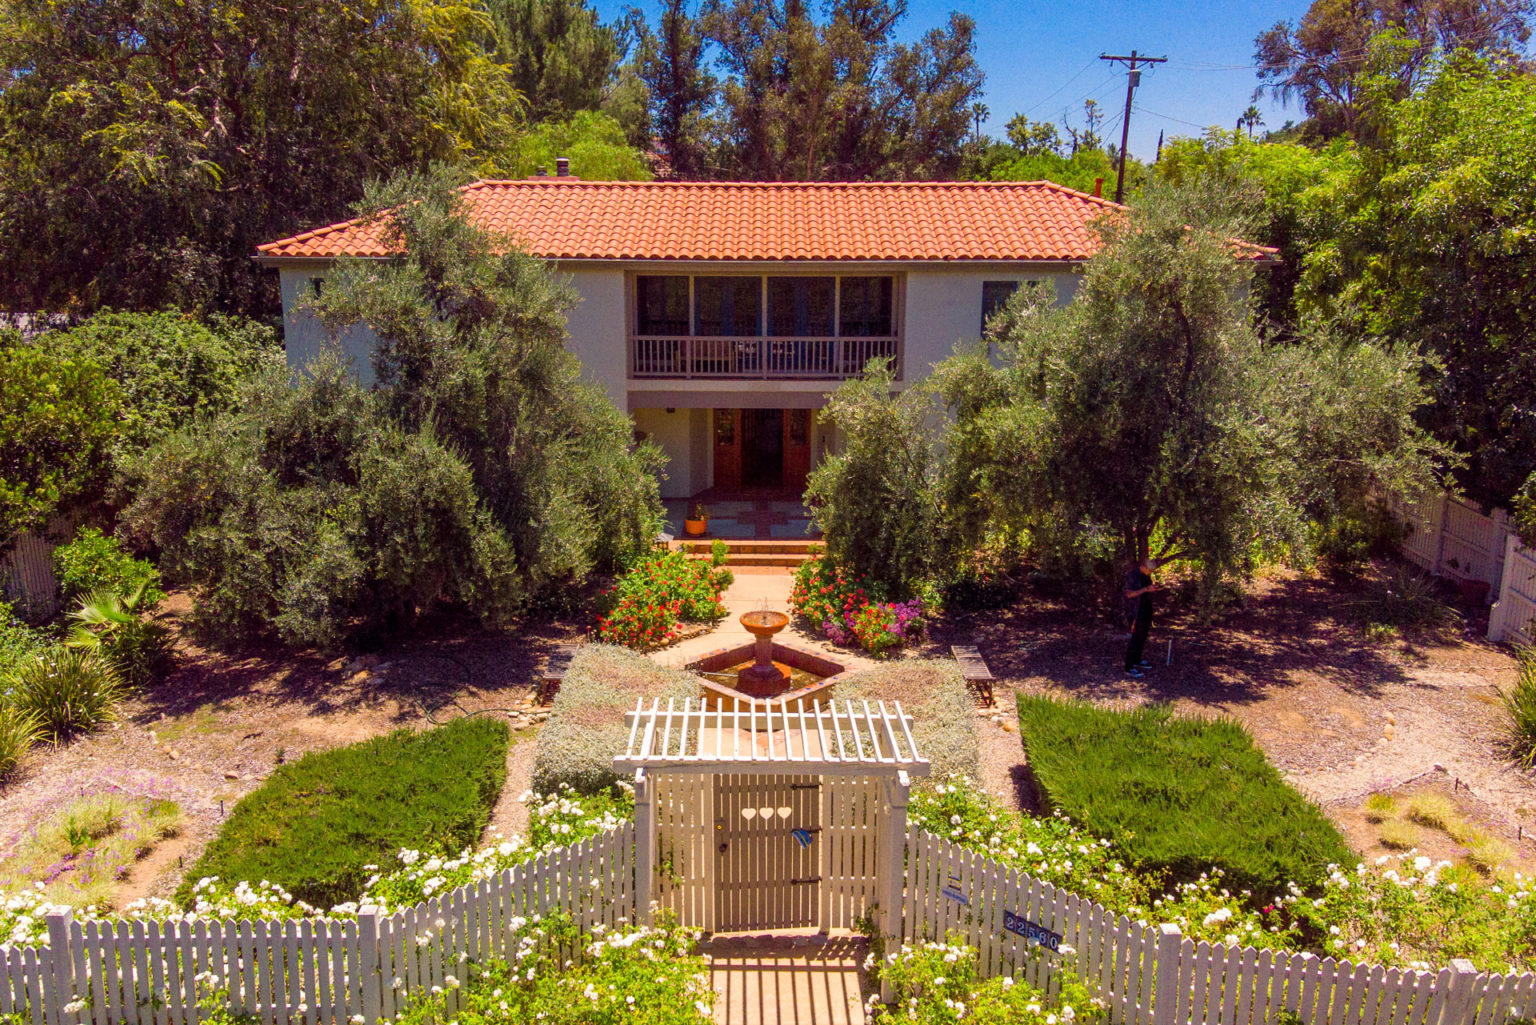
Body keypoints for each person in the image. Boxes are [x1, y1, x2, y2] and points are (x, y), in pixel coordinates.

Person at [1123, 557, 1162, 678]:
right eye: (1149, 570)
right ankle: (1129, 667)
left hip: (1146, 610)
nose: (1150, 573)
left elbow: (1146, 591)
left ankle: (1137, 660)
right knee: (1135, 638)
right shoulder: (1132, 575)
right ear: (1143, 567)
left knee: (1143, 636)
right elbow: (1129, 594)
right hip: (1136, 611)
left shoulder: (1146, 576)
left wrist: (1153, 589)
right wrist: (1146, 589)